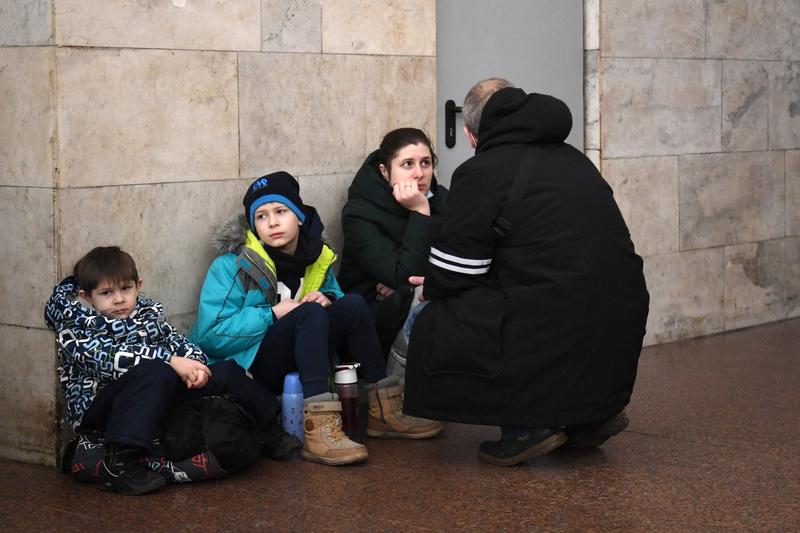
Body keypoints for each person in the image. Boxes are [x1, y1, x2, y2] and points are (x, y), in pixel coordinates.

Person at [403, 79, 650, 466]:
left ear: (471, 134)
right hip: (623, 308)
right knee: (549, 298)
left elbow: (455, 272)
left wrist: (430, 285)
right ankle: (591, 415)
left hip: (554, 315)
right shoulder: (574, 159)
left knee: (441, 314)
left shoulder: (481, 171)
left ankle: (524, 428)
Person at [190, 171, 442, 466]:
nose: (271, 222)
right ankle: (318, 429)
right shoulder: (232, 266)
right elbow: (210, 334)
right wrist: (270, 314)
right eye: (260, 216)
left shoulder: (316, 256)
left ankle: (384, 411)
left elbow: (333, 296)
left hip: (302, 350)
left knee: (353, 305)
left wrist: (328, 298)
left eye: (280, 211)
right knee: (307, 313)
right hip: (253, 365)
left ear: (298, 216)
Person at [44, 246, 299, 496]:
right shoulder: (76, 327)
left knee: (224, 370)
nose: (119, 299)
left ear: (138, 286)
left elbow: (185, 348)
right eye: (106, 293)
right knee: (155, 370)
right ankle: (120, 464)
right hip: (99, 412)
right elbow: (106, 361)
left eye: (125, 288)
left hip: (152, 397)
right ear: (87, 297)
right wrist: (171, 362)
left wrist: (196, 368)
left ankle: (269, 431)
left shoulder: (148, 317)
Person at [339, 128, 448, 357]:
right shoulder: (359, 213)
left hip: (424, 297)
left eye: (425, 163)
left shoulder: (444, 200)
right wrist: (420, 211)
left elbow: (461, 256)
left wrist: (407, 288)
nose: (419, 173)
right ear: (385, 172)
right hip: (375, 315)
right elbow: (405, 274)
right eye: (408, 164)